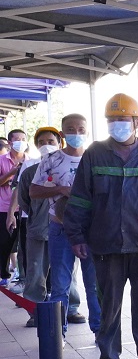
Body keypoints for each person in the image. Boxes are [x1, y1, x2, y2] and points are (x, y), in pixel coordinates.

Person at [64, 93, 138, 359]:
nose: (117, 124)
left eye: (123, 119)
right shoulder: (94, 153)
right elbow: (80, 197)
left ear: (137, 122)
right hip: (105, 246)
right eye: (112, 119)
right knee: (108, 310)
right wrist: (76, 235)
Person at [29, 114, 101, 337]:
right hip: (60, 228)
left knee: (95, 285)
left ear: (87, 132)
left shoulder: (95, 158)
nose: (76, 134)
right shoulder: (51, 160)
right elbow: (33, 191)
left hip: (92, 230)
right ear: (62, 134)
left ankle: (100, 332)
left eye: (81, 129)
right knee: (60, 285)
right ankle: (57, 335)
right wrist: (60, 189)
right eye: (70, 129)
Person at [0, 129, 29, 287]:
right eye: (17, 139)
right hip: (4, 208)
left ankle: (22, 275)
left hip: (24, 210)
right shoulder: (2, 160)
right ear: (10, 142)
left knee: (23, 244)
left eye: (23, 139)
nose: (20, 142)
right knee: (5, 242)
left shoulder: (30, 161)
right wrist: (12, 172)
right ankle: (3, 274)